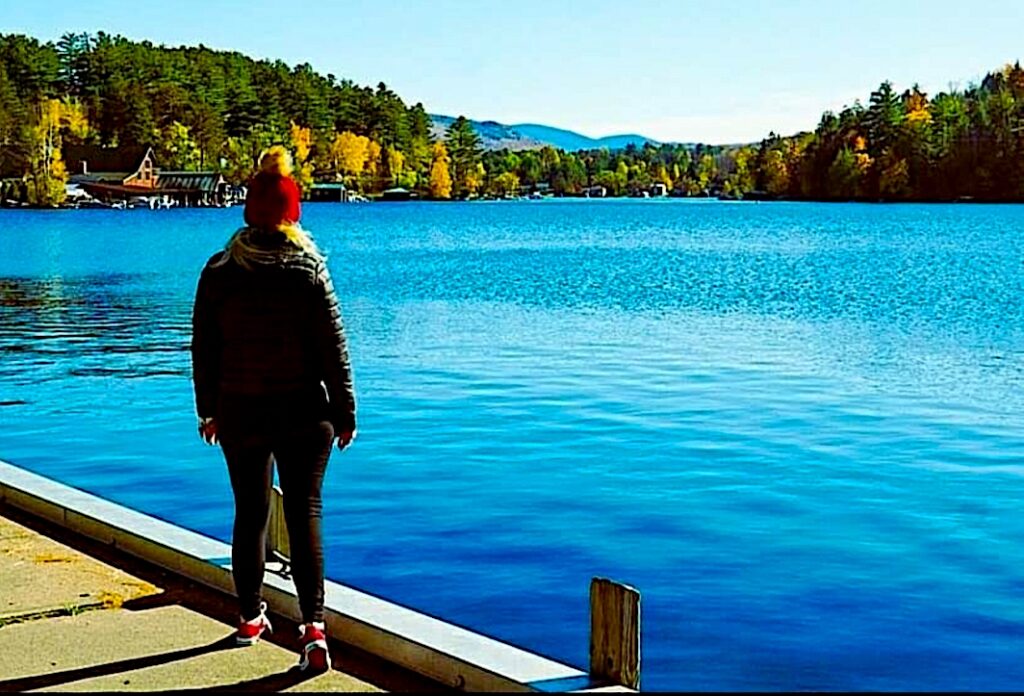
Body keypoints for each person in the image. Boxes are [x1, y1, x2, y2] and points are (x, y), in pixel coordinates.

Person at [190, 145, 356, 672]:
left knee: (251, 513)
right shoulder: (308, 271)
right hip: (307, 414)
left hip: (240, 412)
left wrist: (208, 409)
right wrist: (347, 409)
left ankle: (248, 617)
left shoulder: (218, 271)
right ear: (292, 211)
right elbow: (334, 346)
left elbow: (203, 348)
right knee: (305, 513)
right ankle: (313, 630)